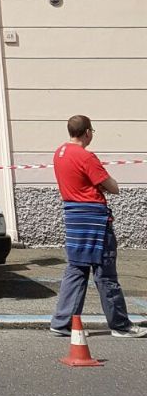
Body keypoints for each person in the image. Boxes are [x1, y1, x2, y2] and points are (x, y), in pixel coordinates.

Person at [49, 114, 146, 338]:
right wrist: (104, 185)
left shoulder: (59, 152)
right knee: (105, 273)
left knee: (76, 269)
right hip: (94, 220)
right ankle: (120, 325)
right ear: (87, 132)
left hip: (73, 217)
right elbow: (112, 186)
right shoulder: (86, 156)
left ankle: (62, 322)